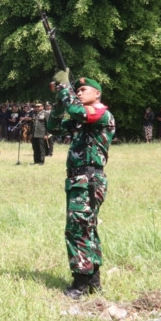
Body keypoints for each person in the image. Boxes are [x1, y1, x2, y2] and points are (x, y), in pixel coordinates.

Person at [48, 72, 115, 299]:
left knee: (78, 229)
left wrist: (65, 89)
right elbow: (53, 127)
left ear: (97, 94)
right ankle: (93, 279)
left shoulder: (101, 113)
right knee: (86, 228)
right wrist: (59, 100)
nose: (78, 93)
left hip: (89, 179)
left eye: (83, 90)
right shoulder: (81, 118)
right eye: (76, 90)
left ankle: (81, 282)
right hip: (78, 180)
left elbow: (77, 111)